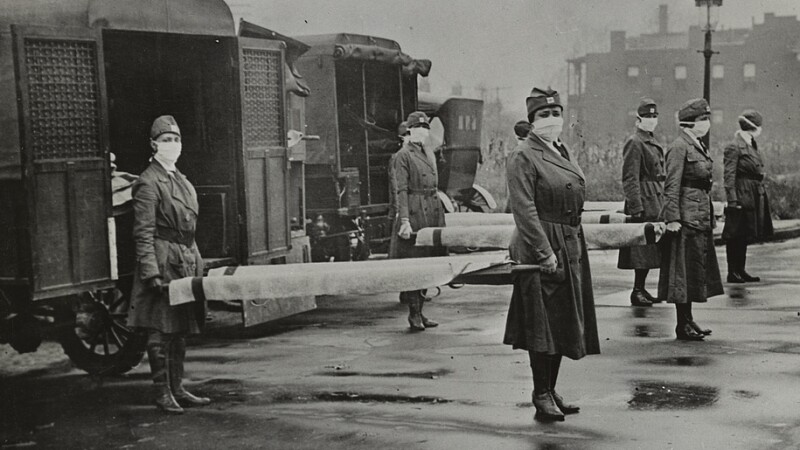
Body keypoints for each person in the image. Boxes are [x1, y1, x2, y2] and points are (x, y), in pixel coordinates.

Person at [504, 87, 599, 422]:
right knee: (541, 325)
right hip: (540, 243)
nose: (552, 120)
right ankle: (540, 391)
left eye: (556, 113)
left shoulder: (560, 149)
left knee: (561, 320)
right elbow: (524, 209)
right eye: (544, 115)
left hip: (568, 239)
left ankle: (551, 388)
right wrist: (544, 252)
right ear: (531, 121)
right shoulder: (524, 155)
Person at [128, 115, 210, 414]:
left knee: (180, 328)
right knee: (160, 330)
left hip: (184, 258)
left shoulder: (182, 180)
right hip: (163, 260)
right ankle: (162, 393)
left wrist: (197, 262)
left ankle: (178, 388)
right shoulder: (148, 182)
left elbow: (189, 227)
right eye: (165, 140)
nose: (172, 145)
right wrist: (151, 272)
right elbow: (143, 232)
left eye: (175, 139)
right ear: (154, 145)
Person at [658, 98, 723, 341]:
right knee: (682, 273)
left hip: (698, 216)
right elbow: (671, 185)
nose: (706, 123)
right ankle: (681, 324)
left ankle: (688, 320)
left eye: (707, 119)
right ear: (689, 122)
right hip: (685, 218)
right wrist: (672, 217)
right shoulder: (679, 146)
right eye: (702, 119)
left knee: (692, 272)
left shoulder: (695, 144)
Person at [390, 112, 446, 331]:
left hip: (431, 209)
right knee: (416, 265)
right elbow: (401, 190)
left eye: (425, 127)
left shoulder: (428, 152)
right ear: (409, 130)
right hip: (415, 212)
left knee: (430, 263)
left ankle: (421, 312)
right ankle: (413, 314)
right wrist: (404, 219)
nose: (422, 130)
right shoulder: (403, 155)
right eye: (418, 127)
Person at [618, 98, 665, 307]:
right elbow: (630, 177)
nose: (652, 120)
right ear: (638, 119)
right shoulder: (635, 142)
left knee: (649, 250)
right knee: (641, 250)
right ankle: (637, 290)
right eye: (648, 117)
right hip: (644, 199)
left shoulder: (651, 141)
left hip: (656, 198)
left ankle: (642, 288)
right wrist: (636, 206)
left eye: (654, 116)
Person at [723, 110, 773, 283]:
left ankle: (740, 269)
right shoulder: (734, 146)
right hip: (741, 192)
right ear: (753, 127)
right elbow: (729, 176)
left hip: (752, 192)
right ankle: (732, 271)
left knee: (744, 233)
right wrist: (732, 200)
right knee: (735, 233)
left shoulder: (750, 143)